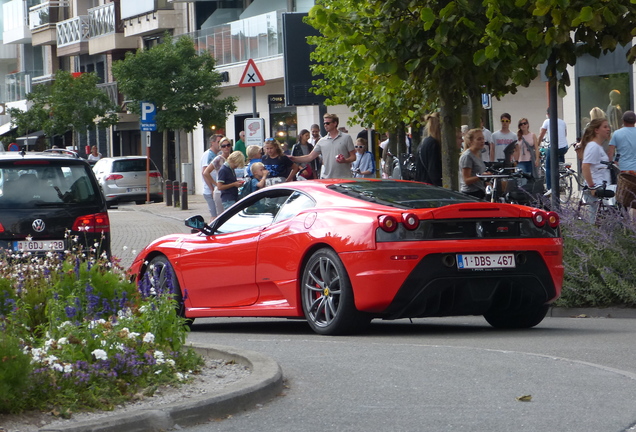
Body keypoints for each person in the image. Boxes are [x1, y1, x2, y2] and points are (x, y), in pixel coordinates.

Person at [289, 113, 356, 179]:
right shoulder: (322, 141)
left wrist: (345, 160)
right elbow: (310, 157)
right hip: (328, 178)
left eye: (327, 123)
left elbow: (353, 157)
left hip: (344, 177)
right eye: (324, 123)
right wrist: (293, 158)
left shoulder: (346, 137)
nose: (325, 125)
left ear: (335, 123)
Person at [579, 118, 612, 222]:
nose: (608, 129)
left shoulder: (598, 146)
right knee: (595, 220)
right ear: (596, 130)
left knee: (600, 220)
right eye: (605, 127)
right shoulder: (593, 146)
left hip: (601, 186)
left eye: (608, 127)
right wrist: (592, 186)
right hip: (596, 188)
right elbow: (585, 166)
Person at [537, 108, 568, 195]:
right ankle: (562, 179)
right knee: (560, 164)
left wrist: (537, 146)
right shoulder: (562, 122)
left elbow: (541, 135)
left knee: (548, 167)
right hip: (564, 147)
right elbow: (565, 134)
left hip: (554, 148)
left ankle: (550, 187)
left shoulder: (547, 121)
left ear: (548, 114)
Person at [203, 136, 233, 215]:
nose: (226, 147)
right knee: (221, 215)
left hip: (231, 190)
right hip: (221, 191)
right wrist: (215, 184)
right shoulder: (218, 159)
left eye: (228, 145)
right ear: (220, 148)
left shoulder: (232, 158)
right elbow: (206, 172)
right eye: (223, 146)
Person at [460, 128, 491, 199]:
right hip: (471, 193)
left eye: (483, 139)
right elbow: (466, 180)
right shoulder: (467, 156)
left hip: (480, 190)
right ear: (471, 141)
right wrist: (482, 176)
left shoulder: (478, 153)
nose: (482, 141)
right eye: (479, 139)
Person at [415, 112, 442, 186]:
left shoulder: (424, 142)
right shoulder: (433, 144)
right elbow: (433, 169)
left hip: (422, 183)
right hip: (430, 186)